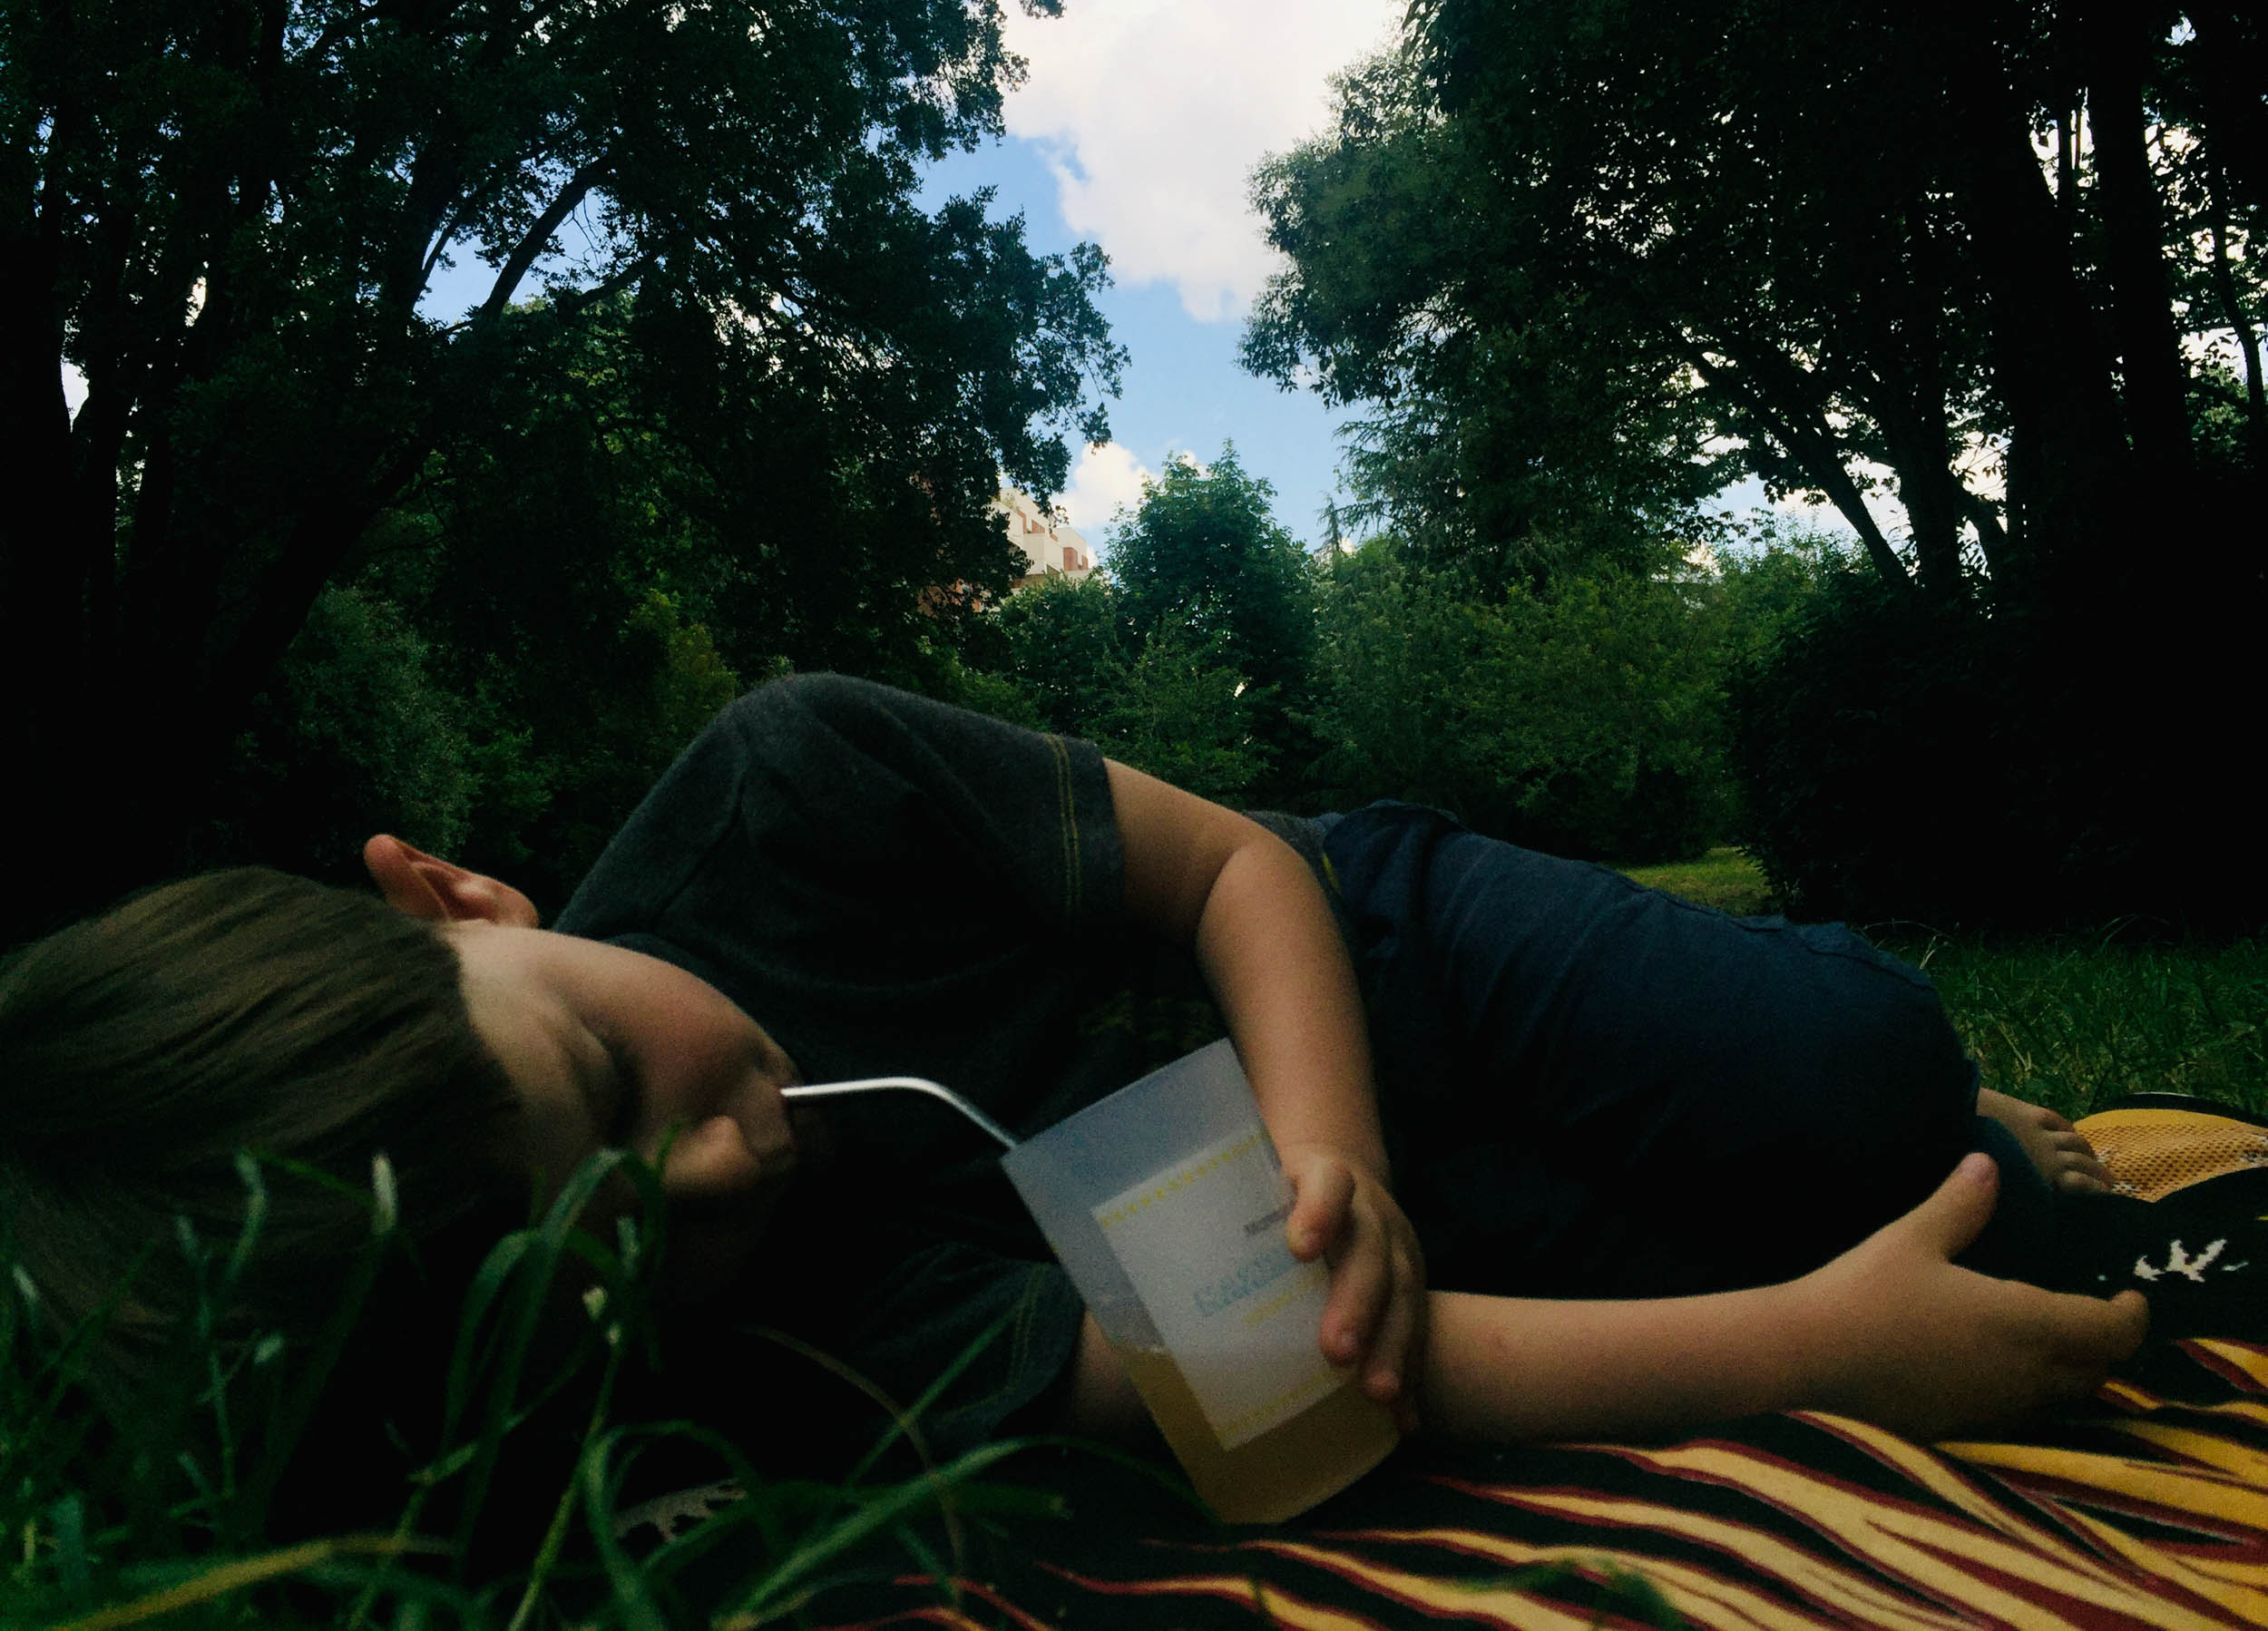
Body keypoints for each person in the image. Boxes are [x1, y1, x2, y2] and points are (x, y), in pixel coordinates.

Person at [1, 673, 2225, 1509]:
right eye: (616, 1256)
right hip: (1355, 1254)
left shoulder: (787, 786)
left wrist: (1331, 1142)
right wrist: (1816, 1347)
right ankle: (1955, 1185)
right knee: (1990, 1253)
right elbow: (1330, 1381)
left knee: (1860, 1074)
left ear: (454, 895)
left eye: (607, 1070)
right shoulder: (771, 1347)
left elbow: (1231, 868)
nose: (720, 1162)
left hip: (1380, 957)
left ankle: (1899, 1042)